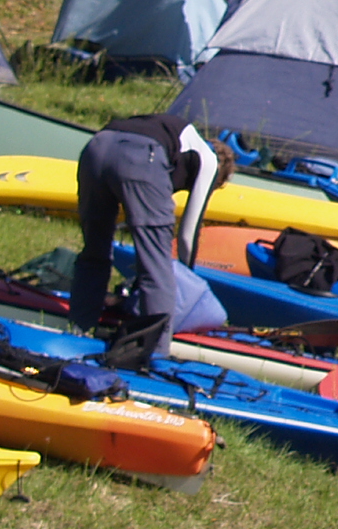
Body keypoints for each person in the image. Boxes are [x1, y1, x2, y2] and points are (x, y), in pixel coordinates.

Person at [70, 113, 235, 356]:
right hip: (142, 156)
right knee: (156, 269)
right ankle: (155, 354)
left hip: (96, 147)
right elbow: (188, 234)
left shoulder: (177, 140)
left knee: (94, 252)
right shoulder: (209, 161)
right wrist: (185, 282)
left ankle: (78, 330)